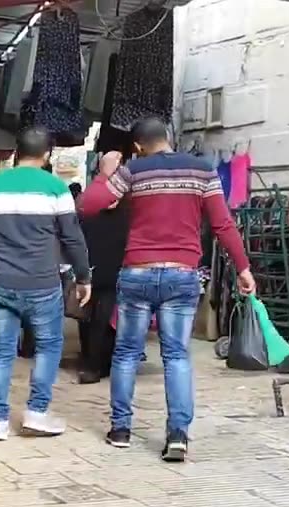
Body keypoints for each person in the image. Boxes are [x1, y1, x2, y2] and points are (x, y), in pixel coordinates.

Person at [79, 116, 255, 461]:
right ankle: (177, 436)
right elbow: (222, 223)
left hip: (138, 274)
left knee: (127, 353)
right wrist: (243, 267)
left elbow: (87, 205)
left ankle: (121, 429)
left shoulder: (135, 171)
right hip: (181, 275)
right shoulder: (203, 171)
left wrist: (104, 173)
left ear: (138, 146)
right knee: (176, 355)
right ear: (169, 138)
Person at [0, 127, 91, 441]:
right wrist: (84, 277)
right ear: (47, 155)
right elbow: (72, 237)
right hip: (42, 283)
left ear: (16, 151)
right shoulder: (57, 189)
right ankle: (36, 414)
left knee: (2, 351)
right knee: (49, 346)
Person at [76, 196, 131, 384]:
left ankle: (88, 361)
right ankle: (100, 364)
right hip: (114, 276)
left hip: (91, 274)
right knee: (105, 322)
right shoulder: (127, 221)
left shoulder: (88, 221)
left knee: (86, 320)